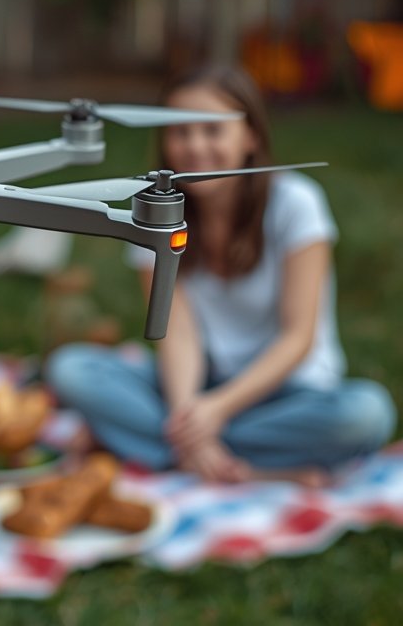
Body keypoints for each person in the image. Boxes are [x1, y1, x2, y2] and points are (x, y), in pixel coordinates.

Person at [47, 64, 396, 485]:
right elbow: (178, 336)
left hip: (288, 392)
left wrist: (217, 411)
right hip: (197, 383)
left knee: (367, 413)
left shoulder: (296, 203)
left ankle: (159, 448)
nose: (195, 146)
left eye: (213, 130)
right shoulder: (152, 215)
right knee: (71, 368)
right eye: (180, 131)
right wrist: (189, 414)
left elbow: (298, 338)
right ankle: (251, 466)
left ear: (251, 136)